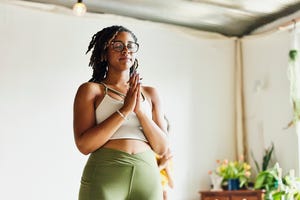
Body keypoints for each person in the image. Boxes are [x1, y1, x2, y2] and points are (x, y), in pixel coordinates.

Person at [73, 25, 168, 200]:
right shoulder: (91, 91)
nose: (126, 50)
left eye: (130, 46)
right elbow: (84, 145)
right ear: (104, 53)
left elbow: (162, 148)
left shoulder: (150, 93)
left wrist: (139, 111)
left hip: (146, 174)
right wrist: (125, 109)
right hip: (105, 173)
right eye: (118, 45)